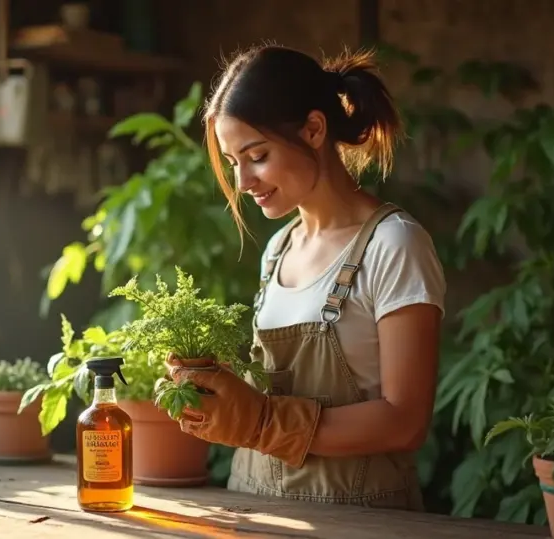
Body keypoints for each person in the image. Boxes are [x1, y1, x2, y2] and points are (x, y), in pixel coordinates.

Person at [167, 44, 446, 510]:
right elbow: (270, 399)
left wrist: (262, 423)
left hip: (362, 520)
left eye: (257, 155)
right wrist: (217, 391)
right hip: (256, 508)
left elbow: (405, 422)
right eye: (235, 163)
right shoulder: (278, 250)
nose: (243, 182)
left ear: (315, 129)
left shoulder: (394, 246)